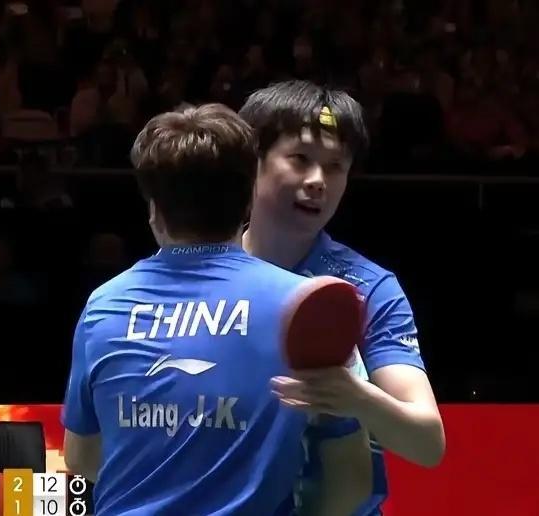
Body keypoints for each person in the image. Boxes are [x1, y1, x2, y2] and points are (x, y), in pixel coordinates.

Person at [61, 103, 371, 515]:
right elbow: (351, 482)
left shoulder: (104, 305)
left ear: (154, 208)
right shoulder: (306, 307)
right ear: (248, 200)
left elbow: (82, 458)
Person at [239, 80, 446, 515]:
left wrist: (356, 398)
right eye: (300, 159)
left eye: (335, 167)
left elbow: (428, 442)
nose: (318, 181)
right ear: (252, 161)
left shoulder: (369, 288)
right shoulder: (202, 273)